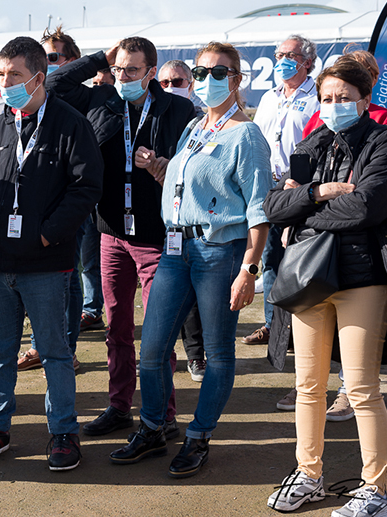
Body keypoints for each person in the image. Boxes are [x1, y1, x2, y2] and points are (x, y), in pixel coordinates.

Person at [112, 42, 270, 478]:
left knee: (217, 353)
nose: (206, 81)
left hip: (220, 251)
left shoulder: (247, 135)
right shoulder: (194, 128)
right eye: (200, 73)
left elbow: (260, 210)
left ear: (237, 80)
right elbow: (183, 185)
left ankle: (199, 436)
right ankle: (153, 428)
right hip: (176, 247)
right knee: (153, 350)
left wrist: (249, 270)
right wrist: (158, 166)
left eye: (218, 73)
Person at [264, 58, 387, 517]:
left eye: (343, 98)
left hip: (362, 279)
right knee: (307, 387)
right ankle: (309, 474)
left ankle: (378, 489)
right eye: (326, 98)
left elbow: (366, 207)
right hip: (310, 278)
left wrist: (301, 214)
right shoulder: (311, 145)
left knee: (361, 389)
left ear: (364, 99)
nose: (334, 105)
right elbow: (273, 205)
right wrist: (318, 192)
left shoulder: (385, 142)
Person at [0, 36, 102, 471]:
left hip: (45, 263)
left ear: (38, 77)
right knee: (0, 351)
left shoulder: (70, 123)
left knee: (55, 352)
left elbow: (86, 187)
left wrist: (46, 235)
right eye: (2, 76)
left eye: (15, 76)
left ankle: (62, 433)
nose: (6, 84)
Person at [47, 36, 195, 437]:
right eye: (119, 69)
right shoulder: (102, 100)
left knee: (158, 334)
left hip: (156, 237)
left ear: (151, 71)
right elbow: (53, 86)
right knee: (117, 330)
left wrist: (166, 165)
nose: (123, 76)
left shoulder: (177, 108)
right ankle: (118, 406)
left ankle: (161, 415)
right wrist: (99, 58)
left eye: (132, 69)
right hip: (111, 233)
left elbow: (195, 165)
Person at [18, 26, 92, 372]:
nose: (43, 68)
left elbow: (61, 81)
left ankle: (68, 348)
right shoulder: (31, 103)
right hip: (35, 205)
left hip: (67, 207)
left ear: (71, 63)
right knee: (43, 277)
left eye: (51, 58)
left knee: (68, 276)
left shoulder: (76, 95)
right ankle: (40, 345)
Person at [242, 35, 320, 358]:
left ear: (308, 63)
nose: (282, 60)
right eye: (278, 54)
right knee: (270, 257)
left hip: (300, 187)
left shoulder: (317, 96)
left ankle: (302, 330)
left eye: (290, 55)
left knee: (299, 258)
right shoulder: (270, 98)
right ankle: (274, 326)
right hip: (269, 187)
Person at [159, 59, 207, 383]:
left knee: (197, 294)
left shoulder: (201, 121)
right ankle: (184, 355)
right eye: (163, 82)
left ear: (190, 84)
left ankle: (200, 354)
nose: (170, 87)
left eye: (177, 81)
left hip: (194, 220)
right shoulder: (153, 117)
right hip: (158, 220)